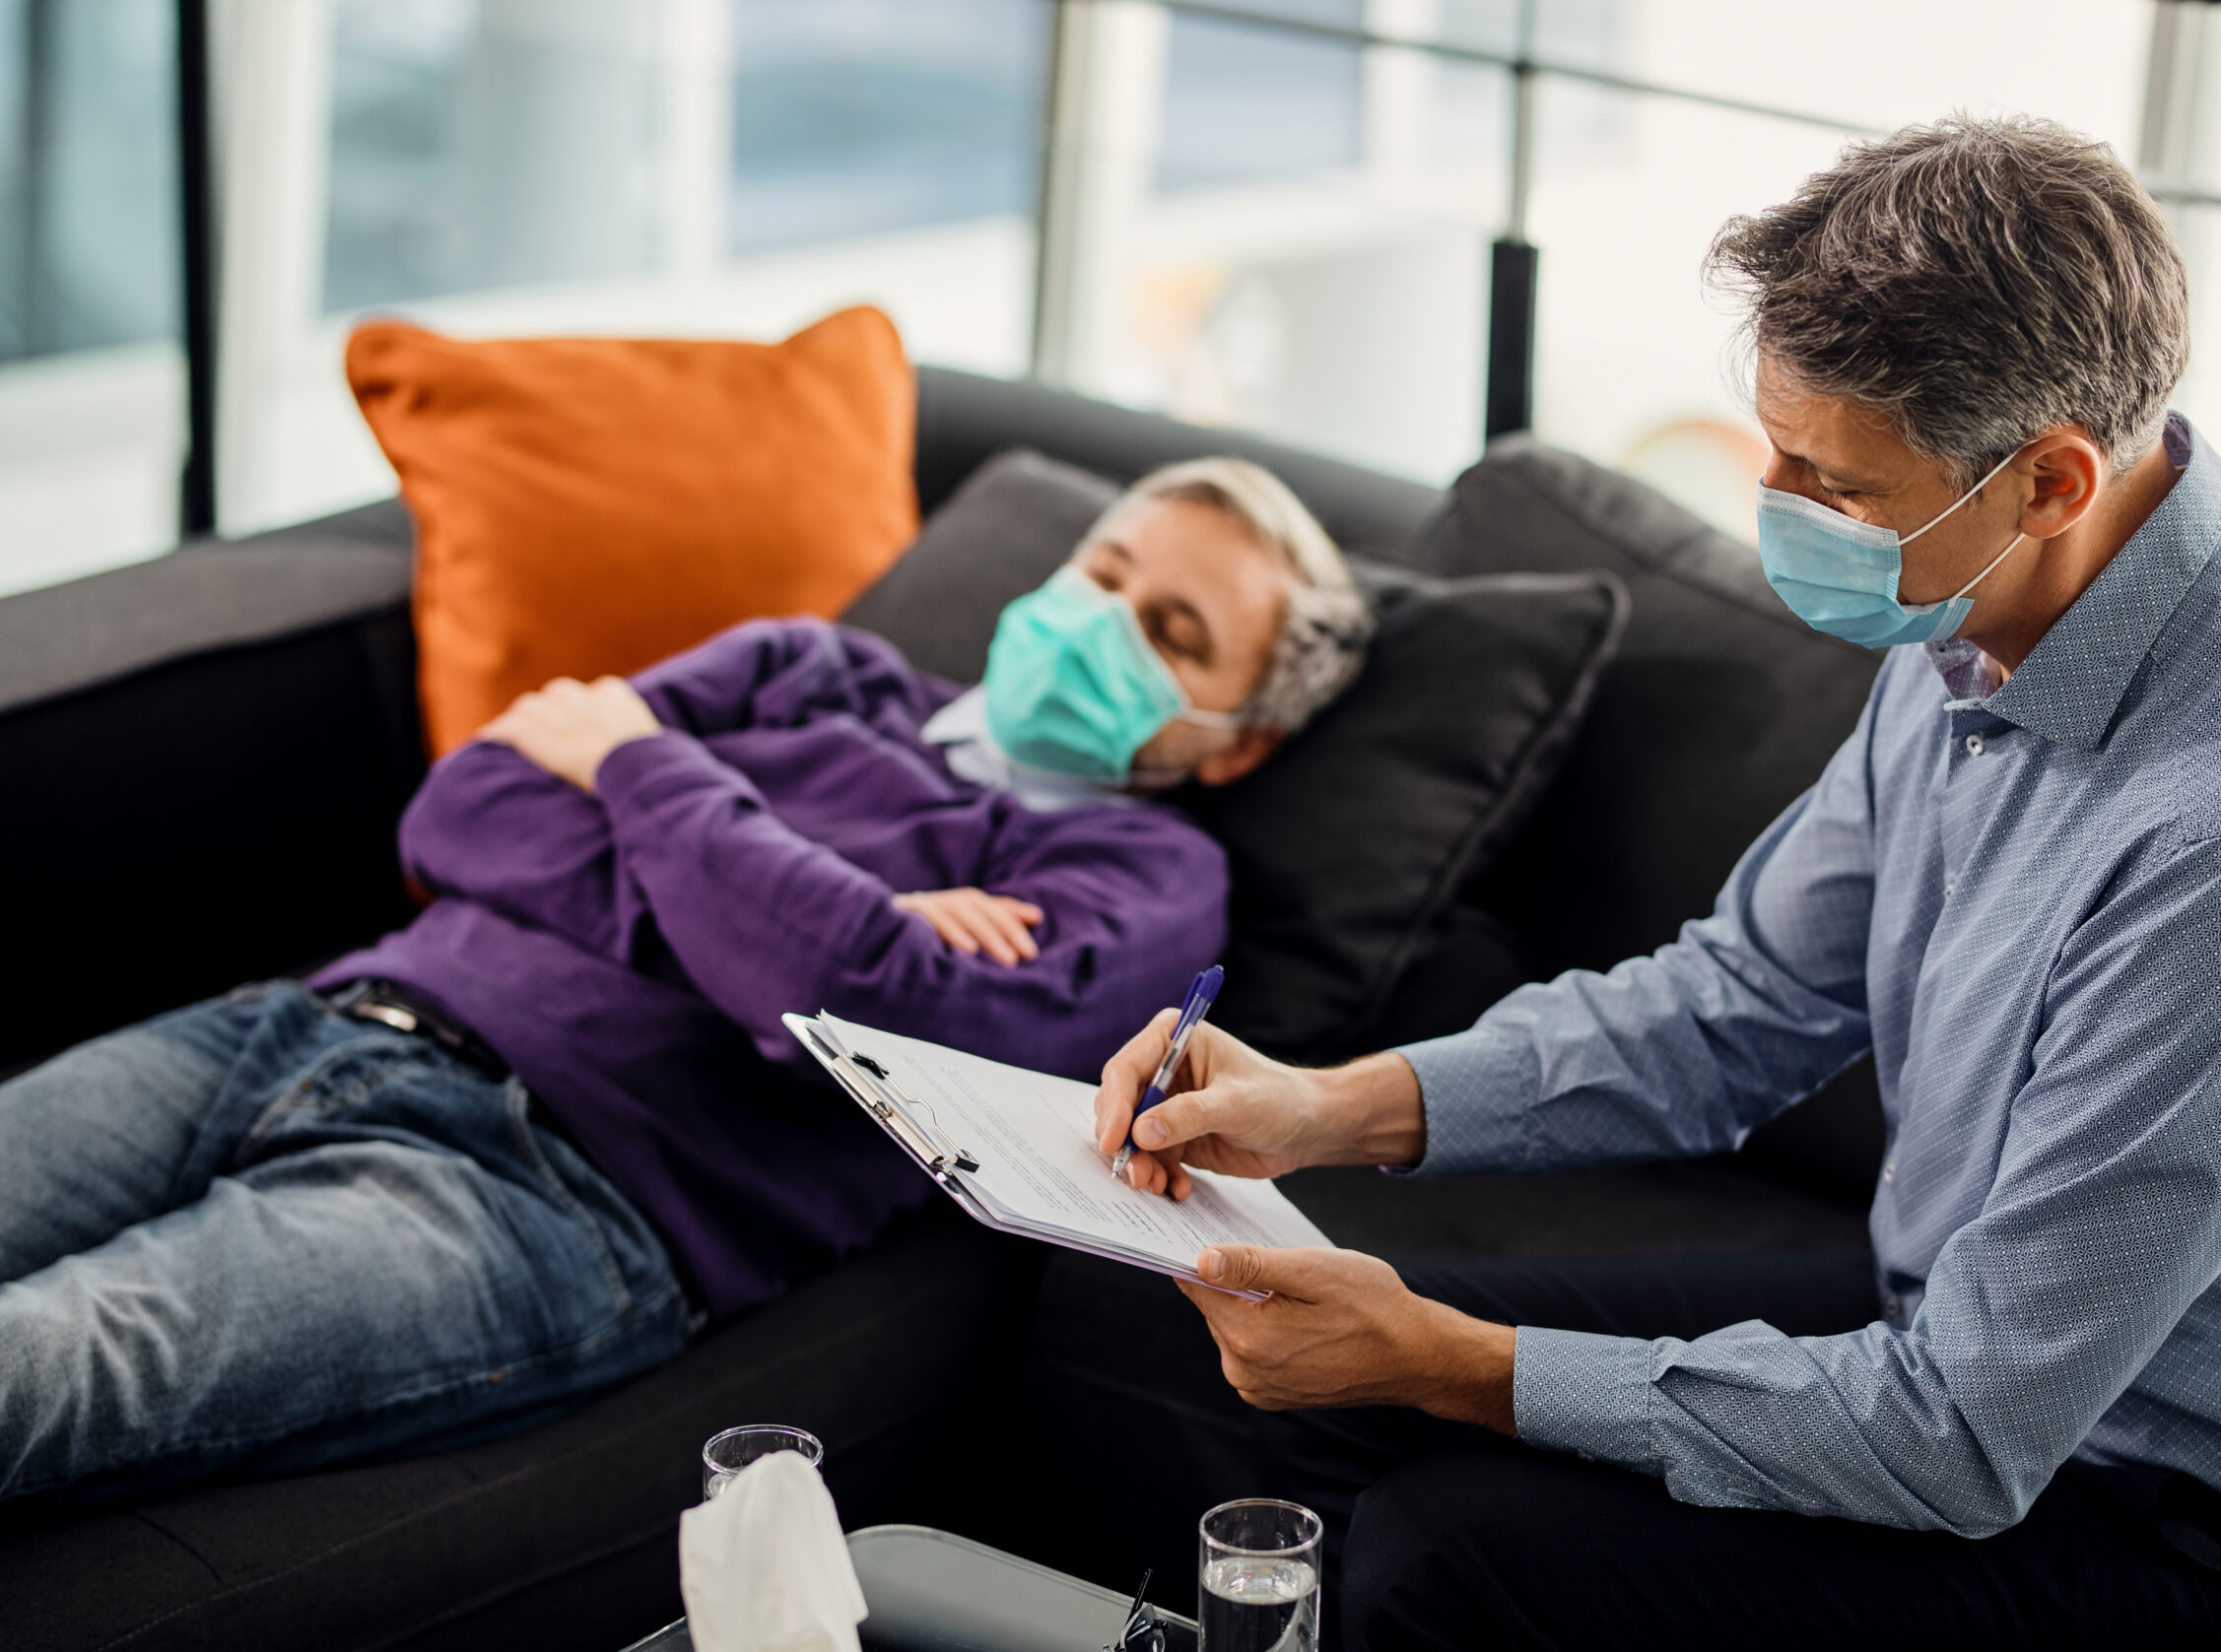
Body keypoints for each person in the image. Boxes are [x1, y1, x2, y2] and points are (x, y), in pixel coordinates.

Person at [1095, 118, 2221, 1652]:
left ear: (2048, 478)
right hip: (1965, 1320)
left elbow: (1962, 1437)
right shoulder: (1992, 605)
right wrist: (1321, 1105)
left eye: (1828, 478)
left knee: (1447, 1547)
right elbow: (1741, 1004)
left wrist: (1450, 1362)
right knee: (1274, 1356)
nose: (1773, 504)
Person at [0, 457, 1371, 1505]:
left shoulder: (1153, 880)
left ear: (1236, 742)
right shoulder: (814, 666)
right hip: (300, 1022)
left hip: (546, 1194)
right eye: (1108, 571)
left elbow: (874, 1011)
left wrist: (640, 772)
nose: (1105, 622)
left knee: (39, 1369)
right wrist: (788, 931)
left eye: (1175, 633)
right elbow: (465, 807)